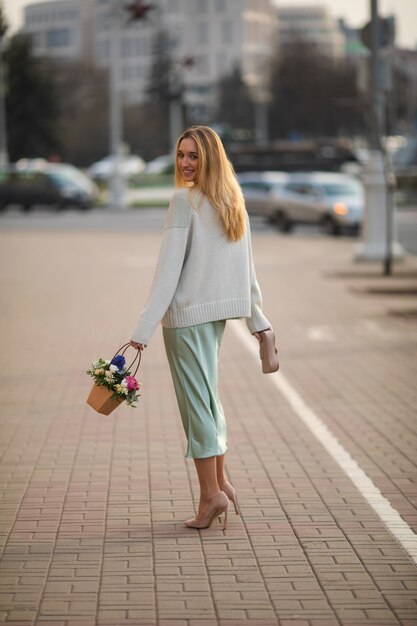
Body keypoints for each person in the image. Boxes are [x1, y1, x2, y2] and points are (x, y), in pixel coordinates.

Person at [130, 125, 272, 530]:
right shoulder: (231, 201)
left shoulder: (183, 202)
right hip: (214, 321)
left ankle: (210, 496)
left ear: (211, 158)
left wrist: (142, 329)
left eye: (194, 155)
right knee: (209, 401)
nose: (186, 163)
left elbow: (167, 274)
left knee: (197, 409)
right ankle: (221, 483)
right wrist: (256, 319)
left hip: (187, 320)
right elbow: (248, 271)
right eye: (181, 155)